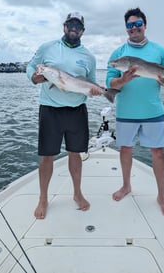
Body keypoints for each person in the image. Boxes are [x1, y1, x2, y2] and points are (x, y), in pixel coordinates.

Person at [27, 12, 101, 219]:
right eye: (71, 24)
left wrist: (94, 91)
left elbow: (91, 81)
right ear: (64, 27)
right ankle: (43, 198)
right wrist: (33, 77)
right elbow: (31, 67)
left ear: (83, 31)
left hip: (76, 110)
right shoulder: (47, 47)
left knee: (75, 153)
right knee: (47, 155)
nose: (74, 28)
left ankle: (77, 193)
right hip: (50, 109)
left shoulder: (89, 57)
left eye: (78, 26)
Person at [106, 7, 164, 216]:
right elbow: (110, 83)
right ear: (126, 29)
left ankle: (161, 195)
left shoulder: (160, 51)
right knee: (125, 150)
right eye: (130, 25)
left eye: (138, 24)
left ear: (144, 25)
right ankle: (126, 186)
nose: (134, 28)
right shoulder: (118, 54)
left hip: (153, 111)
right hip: (126, 111)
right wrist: (122, 79)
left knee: (159, 153)